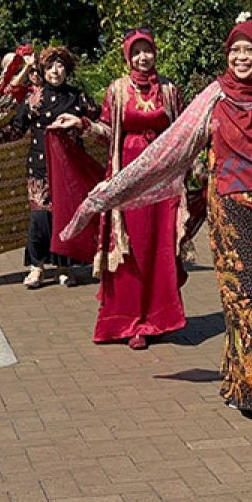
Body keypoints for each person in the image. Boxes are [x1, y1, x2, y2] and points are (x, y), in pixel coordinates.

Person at [61, 20, 252, 431]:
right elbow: (169, 149)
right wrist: (105, 196)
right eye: (234, 51)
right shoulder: (214, 97)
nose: (240, 59)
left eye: (249, 51)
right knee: (250, 297)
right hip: (233, 210)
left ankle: (246, 384)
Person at [72, 28, 188, 350]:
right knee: (131, 248)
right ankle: (129, 321)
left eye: (146, 50)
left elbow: (182, 132)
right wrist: (82, 125)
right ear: (127, 56)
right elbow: (108, 131)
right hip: (128, 178)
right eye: (136, 52)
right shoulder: (117, 90)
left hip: (162, 180)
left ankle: (159, 318)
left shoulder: (170, 91)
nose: (142, 57)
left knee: (159, 245)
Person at [8, 46, 100, 289]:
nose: (54, 71)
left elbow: (98, 120)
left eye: (59, 66)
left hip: (70, 168)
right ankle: (36, 267)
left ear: (67, 70)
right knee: (40, 218)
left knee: (66, 216)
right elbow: (17, 128)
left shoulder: (78, 98)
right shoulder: (35, 99)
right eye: (49, 67)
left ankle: (64, 266)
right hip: (39, 166)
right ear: (42, 70)